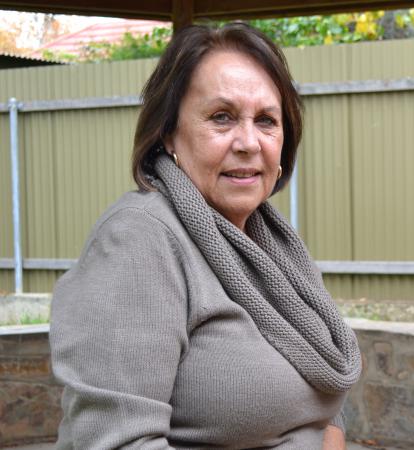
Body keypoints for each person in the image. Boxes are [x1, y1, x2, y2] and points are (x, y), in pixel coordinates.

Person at [49, 23, 361, 449]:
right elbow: (114, 442)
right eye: (222, 117)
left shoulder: (272, 243)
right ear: (168, 132)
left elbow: (320, 386)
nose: (249, 142)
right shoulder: (139, 240)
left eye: (266, 120)